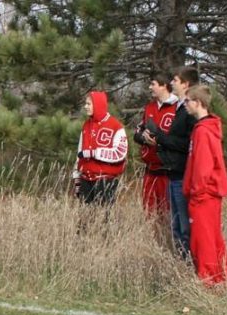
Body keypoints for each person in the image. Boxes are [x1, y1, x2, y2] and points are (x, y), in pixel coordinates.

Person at [183, 85, 227, 285]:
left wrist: (196, 191)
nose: (185, 104)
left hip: (204, 195)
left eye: (188, 101)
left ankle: (209, 280)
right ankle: (222, 277)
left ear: (198, 103)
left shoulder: (204, 131)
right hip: (207, 193)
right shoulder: (203, 128)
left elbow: (203, 166)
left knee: (202, 240)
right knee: (212, 238)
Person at [148, 66, 200, 256]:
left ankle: (188, 265)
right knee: (176, 224)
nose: (172, 83)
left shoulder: (190, 111)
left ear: (186, 84)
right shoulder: (180, 107)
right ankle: (181, 264)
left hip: (182, 174)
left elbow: (187, 143)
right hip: (173, 172)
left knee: (184, 226)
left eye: (176, 81)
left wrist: (160, 136)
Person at [133, 72, 177, 218]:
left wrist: (160, 142)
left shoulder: (178, 108)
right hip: (150, 170)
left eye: (153, 84)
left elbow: (179, 140)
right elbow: (137, 132)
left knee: (167, 214)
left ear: (164, 86)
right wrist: (143, 138)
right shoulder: (149, 107)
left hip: (168, 172)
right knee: (149, 214)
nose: (150, 87)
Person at [74, 91, 128, 206]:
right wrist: (77, 179)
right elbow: (80, 153)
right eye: (85, 104)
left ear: (97, 104)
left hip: (104, 180)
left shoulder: (116, 126)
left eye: (89, 104)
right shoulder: (86, 125)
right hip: (85, 180)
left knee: (103, 218)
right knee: (84, 220)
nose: (85, 107)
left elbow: (120, 153)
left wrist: (94, 153)